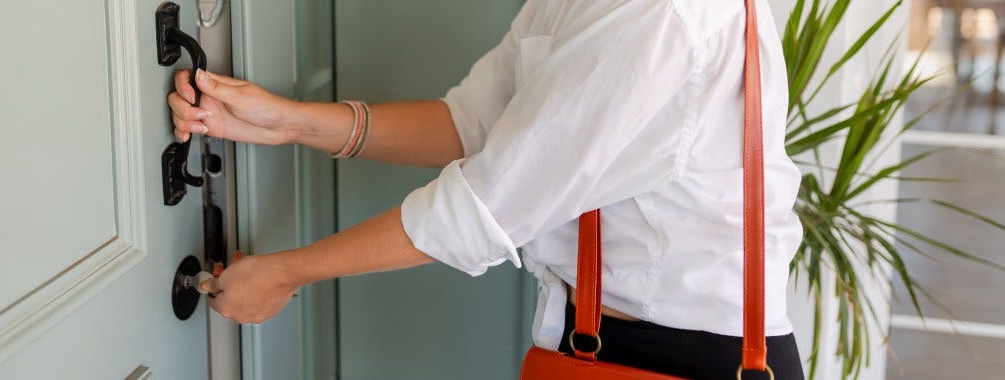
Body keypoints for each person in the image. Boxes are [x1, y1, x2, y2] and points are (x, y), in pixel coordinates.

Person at [172, 0, 805, 378]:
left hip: (682, 360)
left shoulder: (658, 15)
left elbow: (481, 208)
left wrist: (286, 274)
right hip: (595, 347)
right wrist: (291, 122)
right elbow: (473, 123)